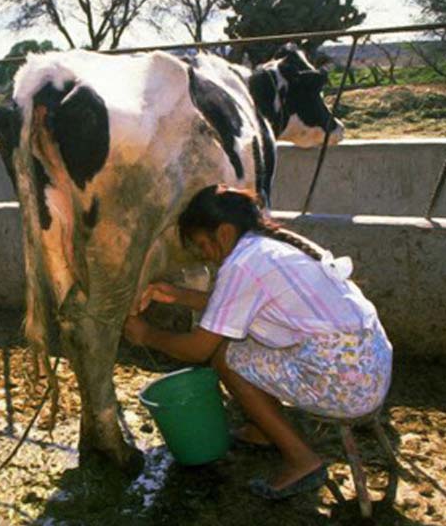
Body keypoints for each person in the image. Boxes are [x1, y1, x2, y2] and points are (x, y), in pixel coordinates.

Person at [124, 184, 393, 500]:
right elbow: (236, 305)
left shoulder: (242, 264)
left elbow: (198, 349)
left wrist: (146, 335)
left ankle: (301, 459)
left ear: (223, 233)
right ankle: (266, 430)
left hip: (345, 386)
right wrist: (178, 295)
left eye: (202, 245)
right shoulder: (270, 246)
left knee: (226, 356)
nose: (204, 256)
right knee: (244, 341)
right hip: (370, 366)